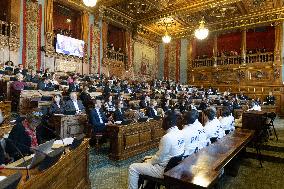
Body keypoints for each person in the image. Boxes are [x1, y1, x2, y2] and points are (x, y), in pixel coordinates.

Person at [128, 112, 185, 189]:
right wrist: (150, 158)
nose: (162, 123)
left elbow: (159, 159)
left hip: (163, 170)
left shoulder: (167, 137)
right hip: (173, 167)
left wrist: (148, 161)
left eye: (163, 121)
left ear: (168, 123)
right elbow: (164, 155)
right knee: (146, 157)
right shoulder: (181, 133)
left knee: (133, 167)